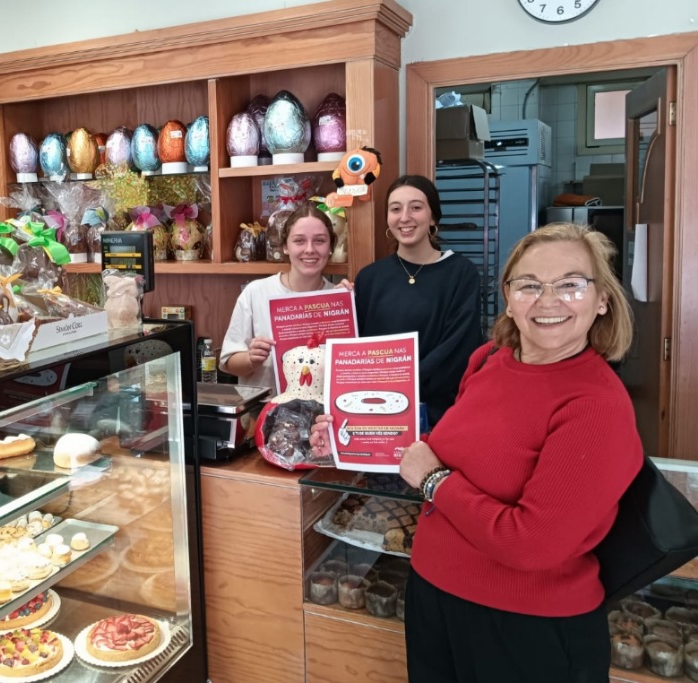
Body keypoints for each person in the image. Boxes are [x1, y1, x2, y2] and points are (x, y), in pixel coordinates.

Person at [315, 223, 643, 682]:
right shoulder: (489, 359)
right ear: (509, 296)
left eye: (571, 285)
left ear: (602, 299)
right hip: (433, 597)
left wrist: (434, 481)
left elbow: (531, 543)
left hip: (525, 628)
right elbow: (445, 446)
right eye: (529, 285)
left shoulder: (596, 405)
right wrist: (350, 436)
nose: (548, 301)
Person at [354, 174, 482, 427]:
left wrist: (403, 384)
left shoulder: (461, 273)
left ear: (433, 217)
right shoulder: (369, 278)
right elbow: (355, 347)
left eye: (416, 207)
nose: (404, 217)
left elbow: (459, 347)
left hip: (437, 414)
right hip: (375, 410)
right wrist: (340, 305)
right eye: (395, 209)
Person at [220, 202, 336, 390]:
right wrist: (250, 359)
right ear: (285, 247)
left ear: (330, 247)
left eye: (320, 241)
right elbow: (229, 362)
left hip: (322, 408)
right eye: (299, 241)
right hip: (265, 407)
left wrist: (346, 300)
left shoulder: (339, 300)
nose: (309, 249)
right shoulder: (255, 292)